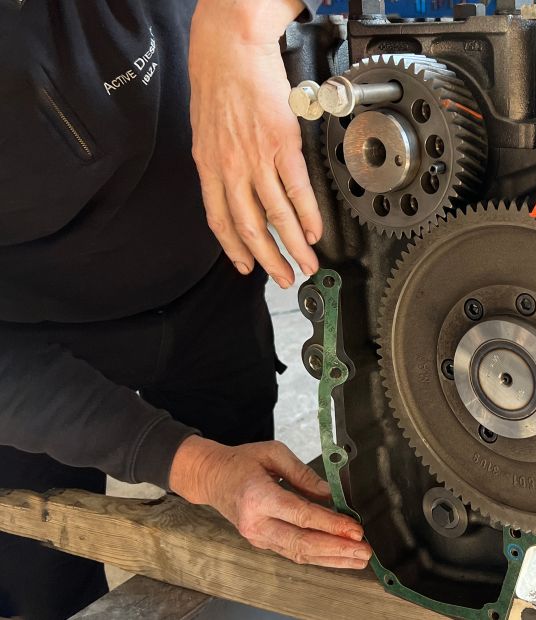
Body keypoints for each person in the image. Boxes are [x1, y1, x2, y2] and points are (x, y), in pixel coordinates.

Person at [0, 1, 371, 618]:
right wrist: (198, 469)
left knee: (254, 545)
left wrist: (243, 21)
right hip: (36, 351)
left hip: (211, 297)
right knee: (44, 583)